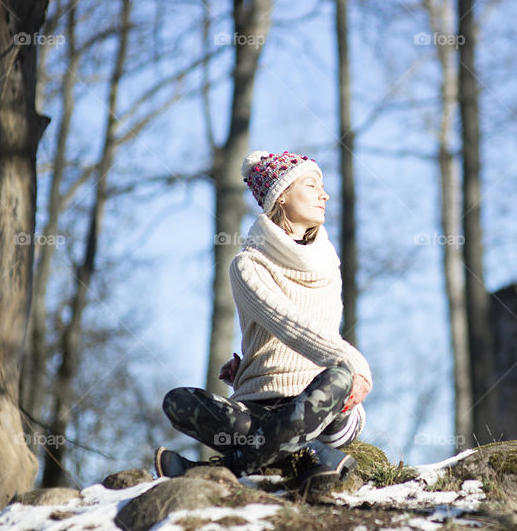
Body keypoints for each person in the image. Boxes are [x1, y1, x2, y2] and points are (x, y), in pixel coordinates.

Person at [154, 150, 372, 490]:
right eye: (312, 185)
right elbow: (291, 325)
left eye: (323, 187)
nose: (324, 194)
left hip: (323, 406)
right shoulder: (248, 265)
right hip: (260, 407)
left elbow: (317, 335)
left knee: (341, 378)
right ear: (281, 196)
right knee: (178, 401)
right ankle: (306, 456)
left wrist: (352, 367)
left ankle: (223, 468)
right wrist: (253, 369)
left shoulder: (330, 264)